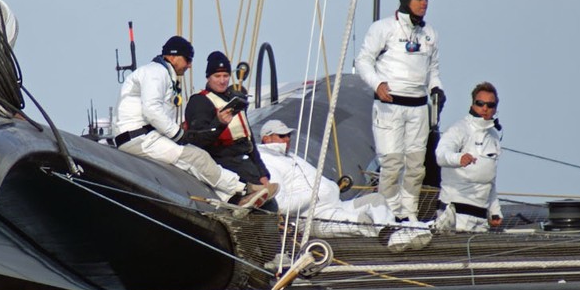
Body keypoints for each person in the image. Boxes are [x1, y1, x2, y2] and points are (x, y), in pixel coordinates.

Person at [113, 36, 272, 210]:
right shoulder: (156, 72)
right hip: (140, 138)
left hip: (142, 136)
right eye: (188, 59)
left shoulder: (163, 75)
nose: (189, 65)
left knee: (193, 161)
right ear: (173, 57)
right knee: (196, 157)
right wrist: (177, 134)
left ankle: (231, 198)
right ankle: (243, 190)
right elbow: (152, 109)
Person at [355, 0, 445, 223]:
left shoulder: (430, 34)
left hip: (418, 107)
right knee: (392, 165)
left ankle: (409, 214)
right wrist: (377, 84)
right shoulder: (383, 28)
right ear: (406, 0)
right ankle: (388, 215)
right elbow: (363, 60)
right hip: (390, 105)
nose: (424, 3)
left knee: (416, 167)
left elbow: (432, 69)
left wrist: (437, 88)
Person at [256, 119, 397, 238]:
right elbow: (280, 206)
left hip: (336, 205)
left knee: (376, 200)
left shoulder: (290, 156)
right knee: (366, 222)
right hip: (316, 216)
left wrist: (331, 187)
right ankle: (396, 238)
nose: (287, 139)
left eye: (288, 135)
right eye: (282, 136)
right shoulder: (267, 163)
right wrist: (315, 195)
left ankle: (394, 234)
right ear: (266, 138)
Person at [184, 51, 278, 207]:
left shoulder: (235, 100)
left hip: (246, 163)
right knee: (264, 207)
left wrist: (262, 172)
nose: (222, 81)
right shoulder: (200, 102)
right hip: (224, 163)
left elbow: (249, 140)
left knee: (271, 206)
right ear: (208, 77)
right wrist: (219, 123)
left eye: (225, 76)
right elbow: (198, 141)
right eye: (217, 76)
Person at [435, 82, 504, 232]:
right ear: (473, 104)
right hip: (455, 217)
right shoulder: (459, 129)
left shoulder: (493, 137)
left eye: (490, 105)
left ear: (495, 109)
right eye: (480, 103)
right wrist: (458, 158)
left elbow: (489, 179)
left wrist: (495, 211)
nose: (485, 108)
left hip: (480, 219)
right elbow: (440, 155)